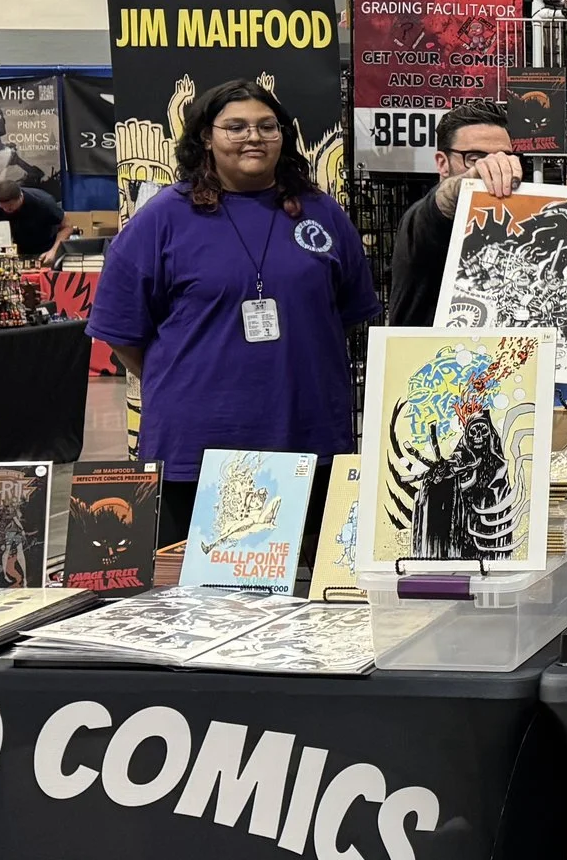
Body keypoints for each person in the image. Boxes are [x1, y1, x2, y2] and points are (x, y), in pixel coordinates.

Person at [90, 78, 377, 542]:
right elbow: (122, 330)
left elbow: (344, 313)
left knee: (306, 600)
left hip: (306, 435)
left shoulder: (320, 214)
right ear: (207, 136)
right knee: (203, 602)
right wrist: (184, 377)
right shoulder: (163, 219)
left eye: (268, 126)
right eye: (236, 126)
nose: (254, 137)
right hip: (198, 443)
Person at [387, 100, 525, 326]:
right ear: (442, 163)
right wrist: (470, 182)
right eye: (474, 158)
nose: (493, 165)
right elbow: (439, 205)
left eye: (504, 157)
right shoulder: (422, 220)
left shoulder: (510, 222)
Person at [0, 172, 72, 265]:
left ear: (20, 197)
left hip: (43, 252)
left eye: (10, 206)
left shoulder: (43, 202)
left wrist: (54, 251)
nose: (6, 209)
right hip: (5, 255)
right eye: (2, 207)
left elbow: (67, 226)